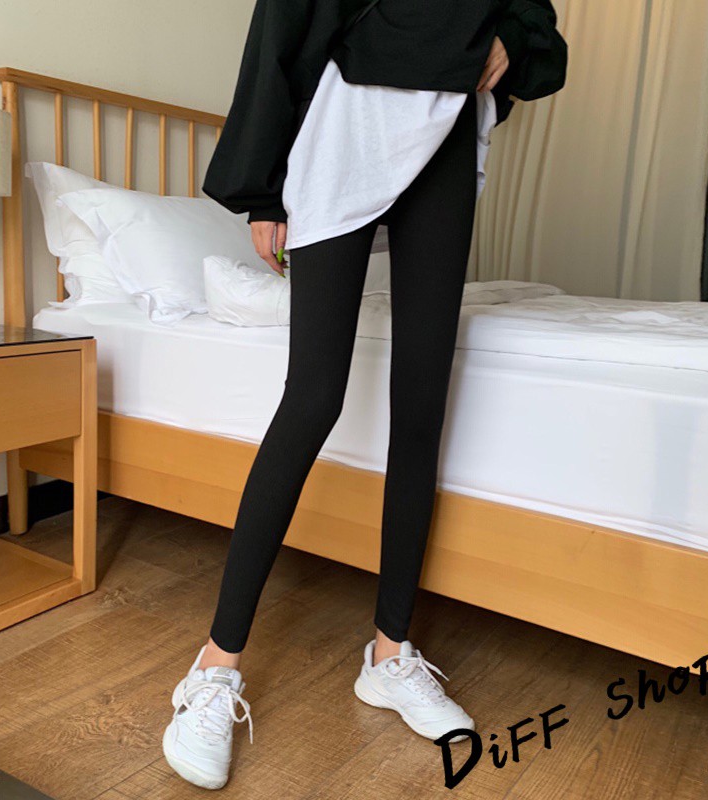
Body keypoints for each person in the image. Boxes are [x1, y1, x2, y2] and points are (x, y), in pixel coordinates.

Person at [162, 0, 568, 790]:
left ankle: (389, 654)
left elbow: (534, 18)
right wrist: (264, 194)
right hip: (345, 125)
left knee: (421, 404)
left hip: (447, 127)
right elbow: (283, 24)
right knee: (314, 398)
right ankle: (214, 666)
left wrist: (511, 39)